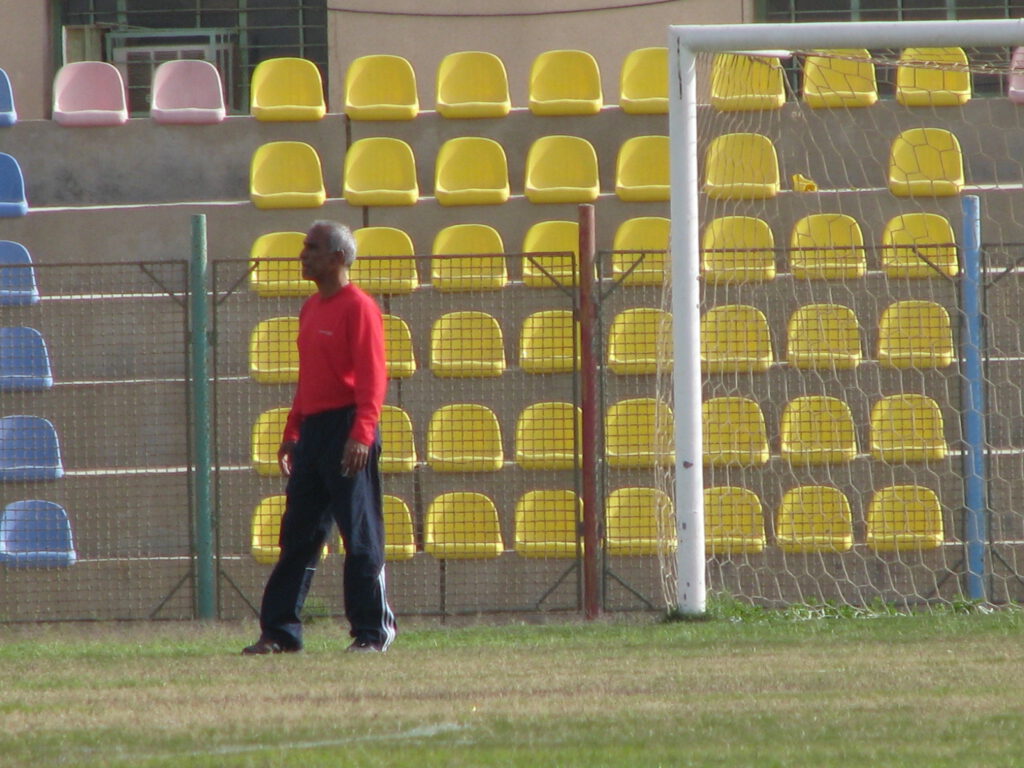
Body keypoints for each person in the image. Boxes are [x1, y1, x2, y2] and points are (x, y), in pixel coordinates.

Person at [243, 220, 396, 655]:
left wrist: (361, 434)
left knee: (359, 534)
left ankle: (371, 633)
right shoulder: (311, 308)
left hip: (348, 428)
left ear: (337, 258)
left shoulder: (359, 307)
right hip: (314, 432)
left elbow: (372, 378)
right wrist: (294, 431)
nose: (302, 255)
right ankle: (279, 633)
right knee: (298, 535)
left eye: (311, 248)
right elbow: (310, 378)